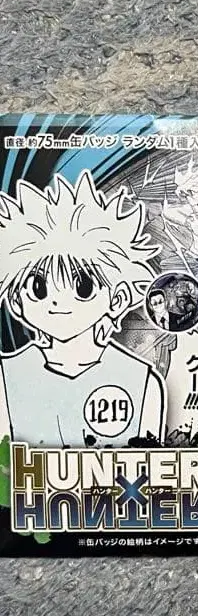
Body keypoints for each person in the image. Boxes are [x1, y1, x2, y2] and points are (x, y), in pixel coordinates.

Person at [0, 171, 166, 446]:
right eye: (39, 288)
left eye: (83, 287)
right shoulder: (6, 377)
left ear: (118, 298)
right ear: (17, 302)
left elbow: (151, 464)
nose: (57, 301)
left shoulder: (142, 382)